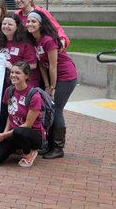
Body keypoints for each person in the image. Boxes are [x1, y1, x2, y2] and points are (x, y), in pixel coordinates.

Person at [26, 10, 78, 159]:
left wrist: (53, 88)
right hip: (52, 78)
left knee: (56, 108)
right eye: (28, 21)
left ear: (41, 24)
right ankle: (48, 144)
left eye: (33, 21)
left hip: (66, 76)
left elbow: (53, 66)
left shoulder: (48, 40)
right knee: (49, 109)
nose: (30, 24)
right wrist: (47, 85)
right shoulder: (35, 40)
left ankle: (58, 147)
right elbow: (42, 65)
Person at [0, 62, 45, 167]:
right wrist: (4, 135)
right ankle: (17, 148)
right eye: (12, 72)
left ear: (26, 75)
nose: (13, 75)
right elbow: (10, 114)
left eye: (18, 73)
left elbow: (28, 125)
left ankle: (29, 153)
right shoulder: (9, 91)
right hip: (13, 134)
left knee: (20, 131)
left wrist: (3, 135)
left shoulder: (34, 95)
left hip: (31, 135)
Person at [0, 13, 39, 133]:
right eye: (4, 24)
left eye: (10, 24)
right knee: (3, 110)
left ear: (17, 26)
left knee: (18, 110)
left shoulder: (24, 42)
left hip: (22, 83)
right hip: (3, 82)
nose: (6, 26)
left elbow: (33, 64)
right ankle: (1, 134)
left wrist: (12, 66)